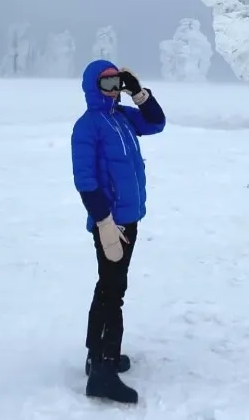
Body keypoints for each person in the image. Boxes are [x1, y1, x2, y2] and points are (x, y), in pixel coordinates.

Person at [70, 58, 167, 404]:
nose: (113, 90)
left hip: (129, 218)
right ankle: (103, 369)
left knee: (111, 285)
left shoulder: (123, 118)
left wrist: (138, 92)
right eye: (106, 84)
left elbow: (157, 122)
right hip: (110, 223)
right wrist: (104, 223)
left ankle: (96, 354)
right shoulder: (88, 126)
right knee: (113, 291)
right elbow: (86, 181)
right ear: (92, 88)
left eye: (117, 83)